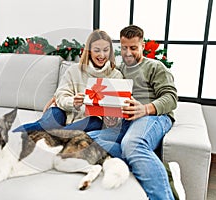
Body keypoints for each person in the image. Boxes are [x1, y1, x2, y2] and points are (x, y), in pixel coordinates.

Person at [87, 25, 179, 200]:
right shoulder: (118, 69)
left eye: (133, 48)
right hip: (126, 121)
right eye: (124, 48)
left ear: (142, 46)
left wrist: (145, 108)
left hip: (152, 116)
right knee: (88, 140)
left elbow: (171, 98)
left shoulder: (155, 66)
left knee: (132, 144)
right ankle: (152, 164)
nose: (128, 53)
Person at [13, 30, 123, 133]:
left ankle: (58, 135)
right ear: (89, 51)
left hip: (90, 120)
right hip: (62, 110)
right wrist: (73, 102)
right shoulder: (74, 70)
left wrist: (111, 119)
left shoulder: (116, 76)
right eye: (97, 50)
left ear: (110, 51)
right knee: (49, 123)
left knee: (95, 122)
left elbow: (117, 110)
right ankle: (10, 137)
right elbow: (60, 96)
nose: (102, 55)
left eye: (105, 50)